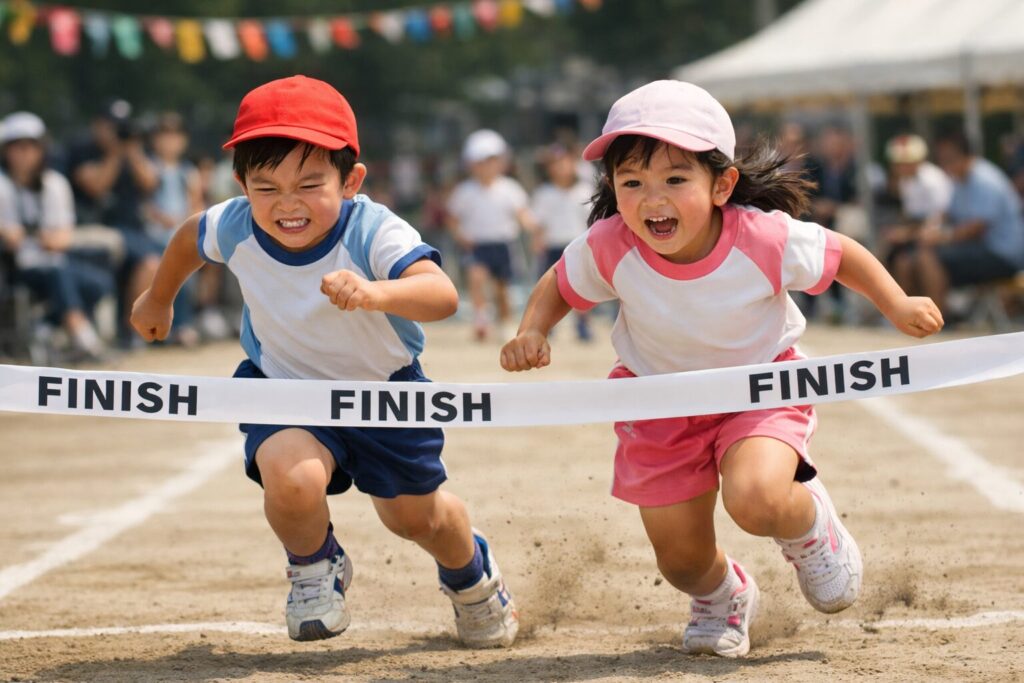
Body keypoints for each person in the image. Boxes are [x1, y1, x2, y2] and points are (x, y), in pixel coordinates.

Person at [500, 81, 944, 657]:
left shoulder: (762, 237)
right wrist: (532, 329)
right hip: (658, 405)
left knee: (756, 498)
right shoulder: (610, 244)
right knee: (679, 559)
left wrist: (897, 303)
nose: (651, 200)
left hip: (759, 391)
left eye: (675, 180)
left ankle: (808, 525)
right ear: (612, 187)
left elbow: (841, 255)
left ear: (722, 184)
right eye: (632, 183)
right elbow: (559, 284)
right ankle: (721, 596)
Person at [129, 76, 518, 647]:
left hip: (386, 393)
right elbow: (192, 236)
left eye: (310, 183)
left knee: (415, 519)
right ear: (241, 184)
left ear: (351, 180)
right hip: (286, 387)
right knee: (291, 478)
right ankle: (314, 569)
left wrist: (376, 292)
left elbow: (442, 295)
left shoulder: (372, 228)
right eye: (266, 187)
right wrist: (158, 297)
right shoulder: (237, 223)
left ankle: (472, 579)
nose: (287, 204)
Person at [0, 111, 112, 360]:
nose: (24, 154)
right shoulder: (3, 185)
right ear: (7, 151)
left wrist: (30, 236)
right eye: (17, 147)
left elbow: (62, 238)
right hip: (18, 266)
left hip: (54, 262)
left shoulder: (55, 184)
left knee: (98, 283)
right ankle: (84, 338)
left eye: (31, 147)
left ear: (41, 150)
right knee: (59, 274)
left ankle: (47, 327)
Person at [894, 130, 1024, 316]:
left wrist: (940, 237)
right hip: (983, 249)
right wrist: (929, 231)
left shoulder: (985, 180)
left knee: (927, 257)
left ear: (966, 155)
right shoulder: (960, 180)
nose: (945, 164)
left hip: (1004, 256)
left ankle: (937, 317)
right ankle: (917, 315)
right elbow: (947, 215)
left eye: (949, 159)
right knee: (909, 259)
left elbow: (976, 228)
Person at [68, 99, 160, 345]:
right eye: (111, 126)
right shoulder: (82, 149)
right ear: (97, 125)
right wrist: (115, 155)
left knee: (155, 261)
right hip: (97, 228)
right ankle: (126, 331)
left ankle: (135, 330)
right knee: (144, 257)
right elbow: (97, 186)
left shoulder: (135, 151)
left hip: (134, 230)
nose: (116, 133)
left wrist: (133, 151)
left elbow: (150, 182)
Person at [446, 129, 539, 341]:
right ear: (471, 164)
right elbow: (452, 219)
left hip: (503, 244)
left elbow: (522, 213)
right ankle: (480, 318)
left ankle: (504, 323)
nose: (487, 167)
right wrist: (460, 236)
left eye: (492, 161)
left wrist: (533, 229)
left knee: (501, 289)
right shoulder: (465, 191)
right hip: (476, 244)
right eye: (481, 162)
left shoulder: (509, 188)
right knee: (476, 278)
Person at [144, 112, 205, 346]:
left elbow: (196, 202)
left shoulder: (188, 171)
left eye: (175, 135)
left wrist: (185, 223)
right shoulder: (150, 167)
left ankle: (182, 324)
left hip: (180, 232)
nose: (169, 141)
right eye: (164, 135)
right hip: (153, 234)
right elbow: (145, 201)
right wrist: (162, 218)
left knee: (187, 276)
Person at [531, 143, 594, 340]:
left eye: (564, 163)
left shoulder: (585, 191)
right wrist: (537, 241)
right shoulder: (544, 193)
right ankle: (548, 325)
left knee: (581, 286)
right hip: (553, 245)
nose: (560, 168)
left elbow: (593, 221)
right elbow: (539, 222)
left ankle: (582, 325)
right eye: (555, 164)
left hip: (578, 244)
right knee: (550, 289)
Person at [880, 134, 952, 273]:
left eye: (905, 162)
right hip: (919, 234)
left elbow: (940, 221)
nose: (900, 167)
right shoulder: (905, 181)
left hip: (938, 237)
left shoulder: (933, 180)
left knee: (908, 265)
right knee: (893, 260)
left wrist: (906, 234)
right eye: (897, 163)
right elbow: (910, 216)